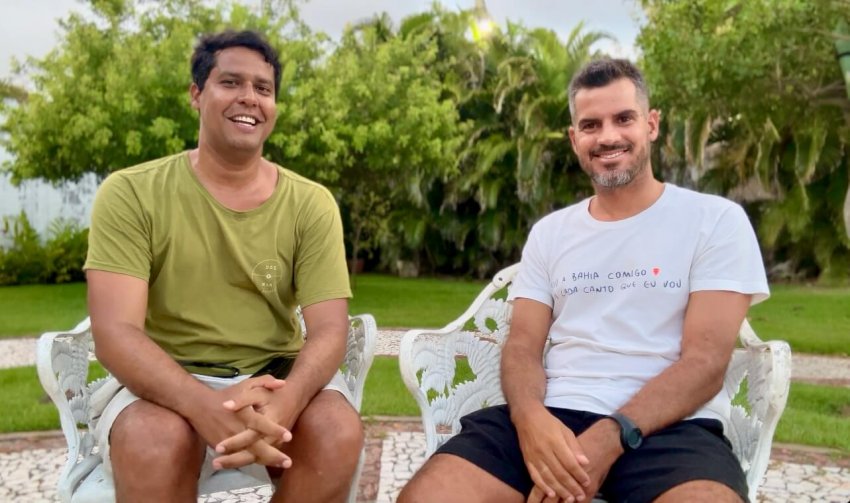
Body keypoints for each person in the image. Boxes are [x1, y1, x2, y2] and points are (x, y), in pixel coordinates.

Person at [399, 58, 769, 503]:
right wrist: (530, 419)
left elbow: (705, 364)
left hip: (670, 428)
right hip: (554, 416)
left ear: (651, 125)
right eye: (591, 125)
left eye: (624, 119)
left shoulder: (714, 221)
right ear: (575, 139)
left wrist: (608, 438)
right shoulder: (551, 233)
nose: (608, 136)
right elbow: (521, 346)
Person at [84, 30, 363, 503]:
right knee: (153, 443)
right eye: (230, 82)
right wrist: (204, 406)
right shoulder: (132, 192)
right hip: (167, 374)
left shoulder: (310, 203)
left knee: (338, 431)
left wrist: (286, 402)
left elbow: (330, 330)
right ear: (197, 94)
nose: (249, 99)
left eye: (263, 88)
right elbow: (116, 333)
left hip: (275, 373)